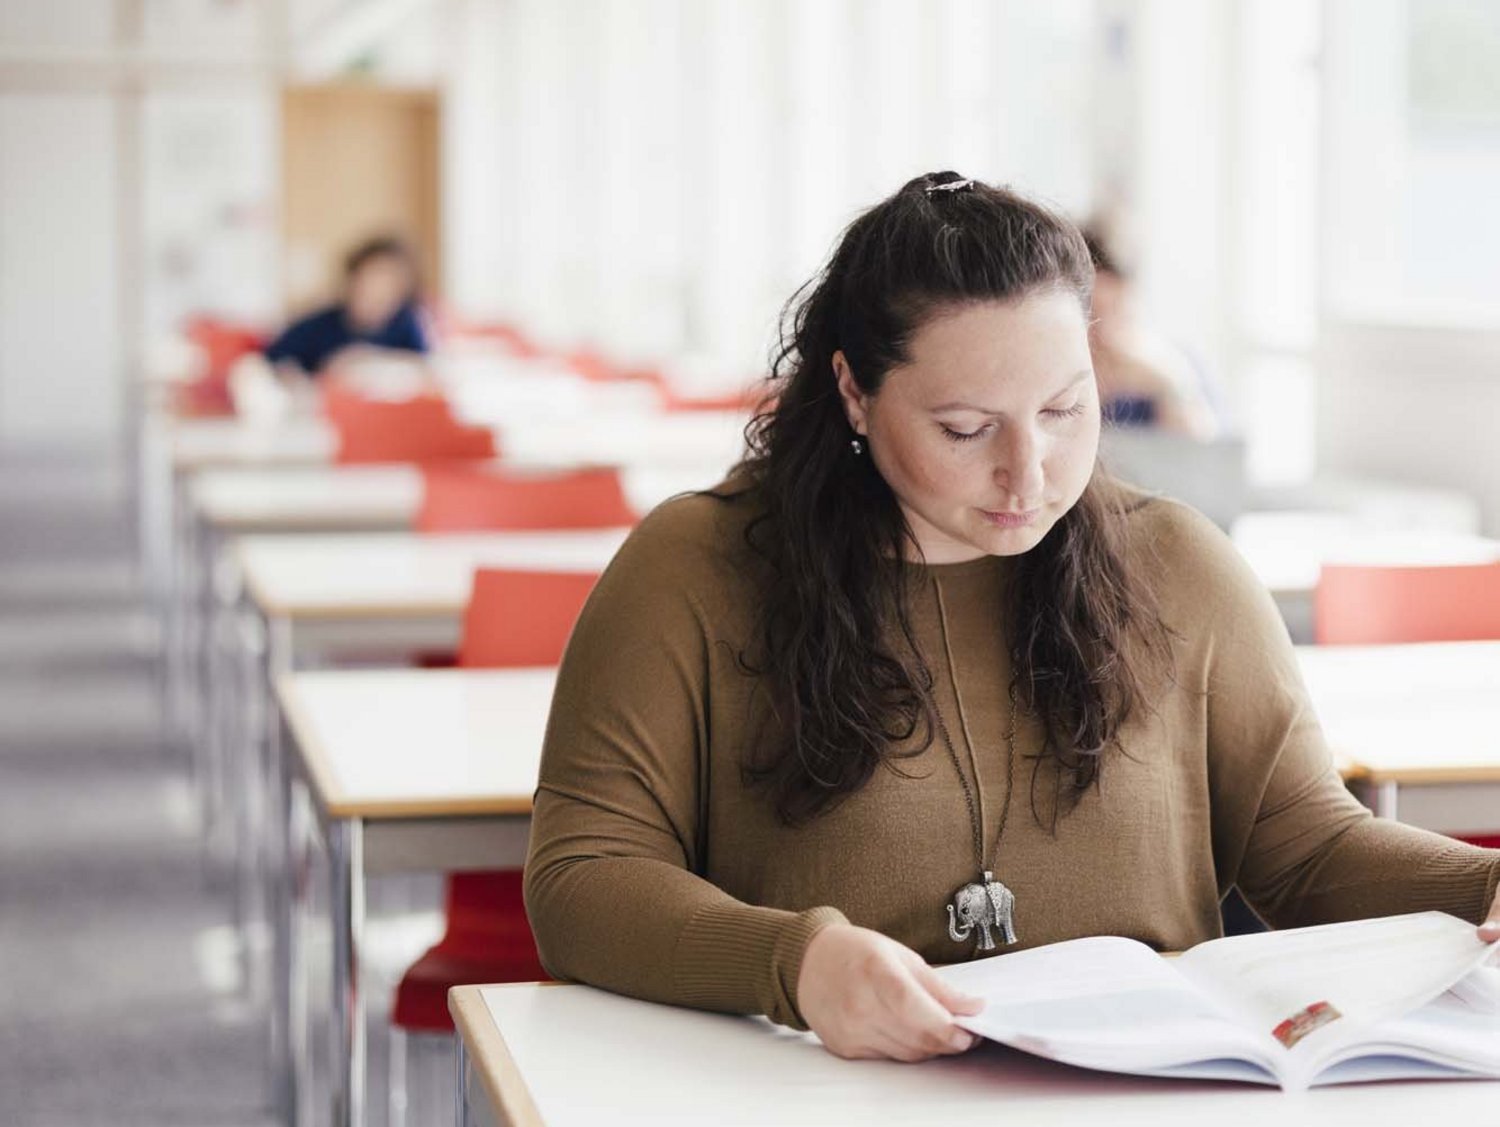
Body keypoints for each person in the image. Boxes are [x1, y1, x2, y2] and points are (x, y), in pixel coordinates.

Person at [524, 172, 1500, 1063]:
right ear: (854, 392)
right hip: (823, 1093)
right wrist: (794, 958)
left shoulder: (1180, 564)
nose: (1029, 475)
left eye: (1068, 410)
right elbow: (583, 876)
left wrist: (1480, 891)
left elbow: (1308, 847)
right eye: (966, 428)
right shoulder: (695, 568)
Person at [1082, 223, 1219, 440]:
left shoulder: (1177, 362)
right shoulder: (1061, 371)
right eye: (1093, 313)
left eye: (1115, 311)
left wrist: (1166, 386)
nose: (1105, 332)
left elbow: (1208, 456)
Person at [262, 235, 430, 378]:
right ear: (351, 281)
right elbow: (272, 362)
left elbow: (426, 367)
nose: (376, 292)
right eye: (368, 281)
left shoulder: (407, 324)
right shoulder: (319, 325)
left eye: (388, 285)